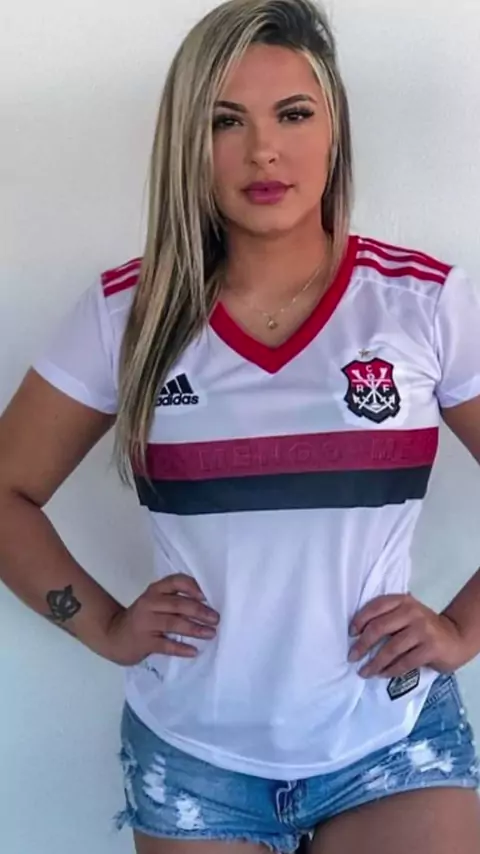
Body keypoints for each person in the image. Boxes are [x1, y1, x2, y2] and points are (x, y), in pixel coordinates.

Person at [1, 0, 480, 851]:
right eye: (226, 121)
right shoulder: (127, 314)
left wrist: (463, 631)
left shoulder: (425, 303)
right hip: (194, 760)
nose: (263, 149)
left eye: (293, 114)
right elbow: (6, 492)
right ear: (188, 142)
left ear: (334, 130)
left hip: (392, 740)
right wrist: (101, 624)